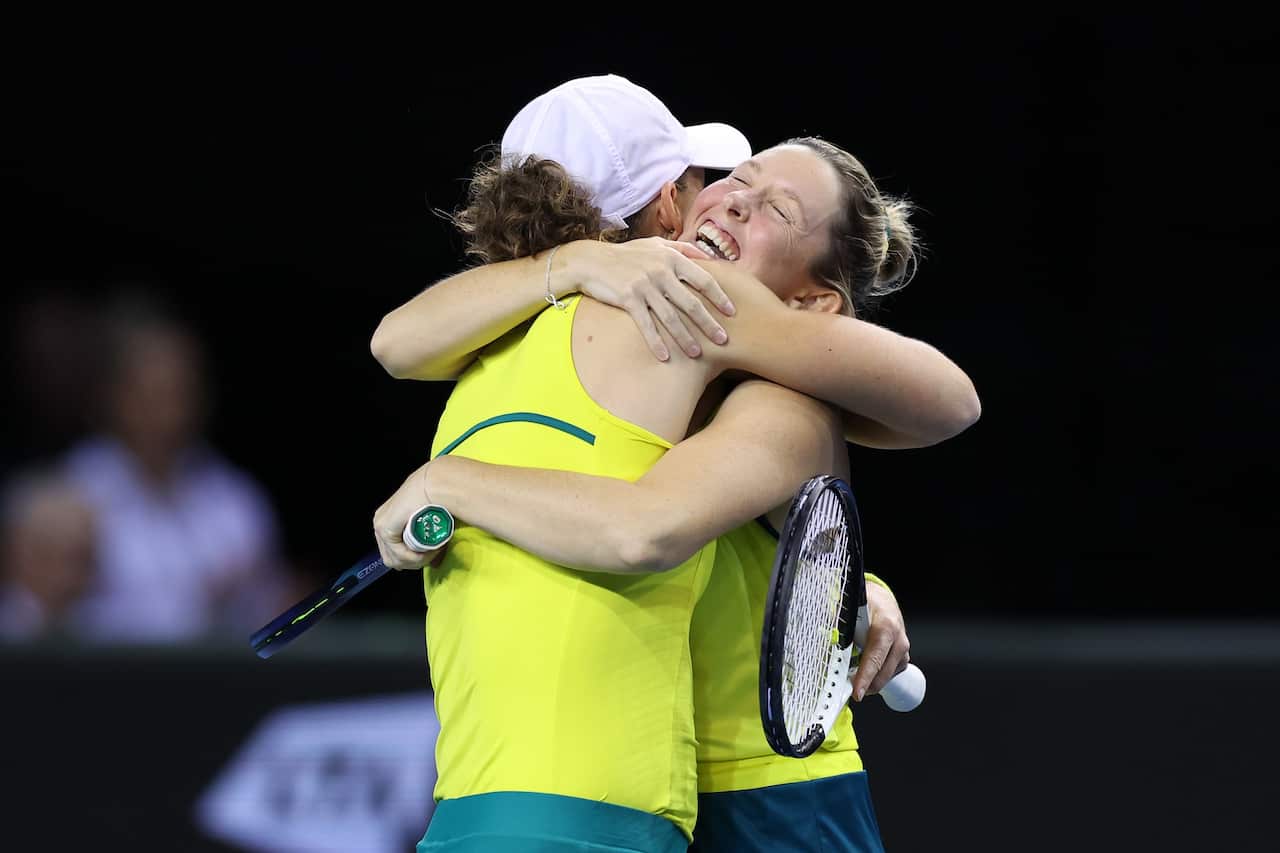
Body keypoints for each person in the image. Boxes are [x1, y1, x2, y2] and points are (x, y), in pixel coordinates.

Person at [372, 77, 977, 851]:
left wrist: (445, 483)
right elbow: (392, 342)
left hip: (775, 798)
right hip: (662, 790)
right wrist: (578, 264)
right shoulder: (576, 334)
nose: (727, 201)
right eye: (729, 182)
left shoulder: (763, 382)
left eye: (774, 208)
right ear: (663, 210)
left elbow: (650, 527)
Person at [61, 295, 299, 641]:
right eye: (153, 396)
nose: (172, 414)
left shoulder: (235, 496)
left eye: (181, 394)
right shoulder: (72, 493)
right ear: (113, 397)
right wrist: (200, 602)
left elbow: (272, 614)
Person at [0, 470, 97, 641]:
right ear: (26, 555)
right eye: (76, 558)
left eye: (89, 560)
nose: (85, 576)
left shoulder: (97, 627)